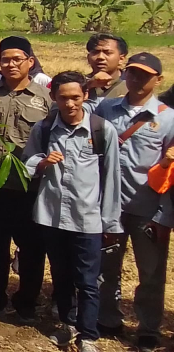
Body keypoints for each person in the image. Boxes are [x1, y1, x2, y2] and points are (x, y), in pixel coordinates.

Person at [23, 71, 122, 352]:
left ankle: (88, 334)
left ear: (85, 96)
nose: (70, 104)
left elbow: (112, 179)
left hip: (87, 218)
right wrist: (42, 163)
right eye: (64, 98)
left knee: (88, 281)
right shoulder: (43, 129)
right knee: (62, 275)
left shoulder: (102, 131)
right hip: (51, 216)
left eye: (75, 97)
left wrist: (110, 223)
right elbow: (27, 163)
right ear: (53, 97)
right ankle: (68, 324)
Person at [93, 53, 174, 350]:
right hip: (109, 205)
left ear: (158, 80)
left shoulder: (168, 118)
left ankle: (149, 328)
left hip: (148, 208)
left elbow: (171, 171)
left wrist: (165, 214)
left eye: (144, 75)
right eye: (132, 73)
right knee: (106, 267)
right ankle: (107, 319)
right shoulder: (107, 108)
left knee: (151, 273)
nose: (136, 79)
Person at [0, 36, 52, 321]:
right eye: (5, 59)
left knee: (31, 247)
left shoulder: (45, 98)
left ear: (30, 61)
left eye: (17, 59)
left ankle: (26, 302)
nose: (10, 64)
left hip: (31, 184)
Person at [85, 33, 128, 100]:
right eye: (95, 52)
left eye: (107, 52)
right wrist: (88, 86)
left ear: (121, 59)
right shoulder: (78, 84)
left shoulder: (131, 85)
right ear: (88, 58)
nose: (100, 57)